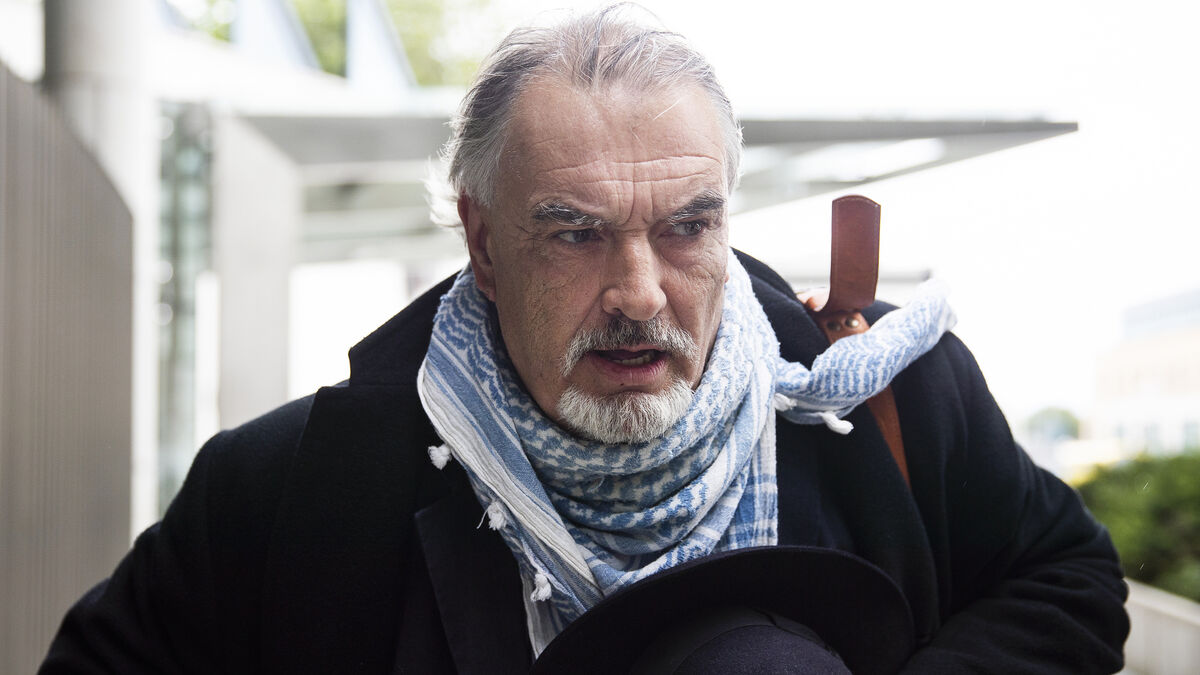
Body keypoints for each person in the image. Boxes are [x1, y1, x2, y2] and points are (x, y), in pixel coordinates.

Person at [41, 5, 1128, 673]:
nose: (640, 294)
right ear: (483, 240)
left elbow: (1069, 580)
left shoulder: (892, 397)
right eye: (576, 234)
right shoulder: (292, 487)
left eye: (687, 227)